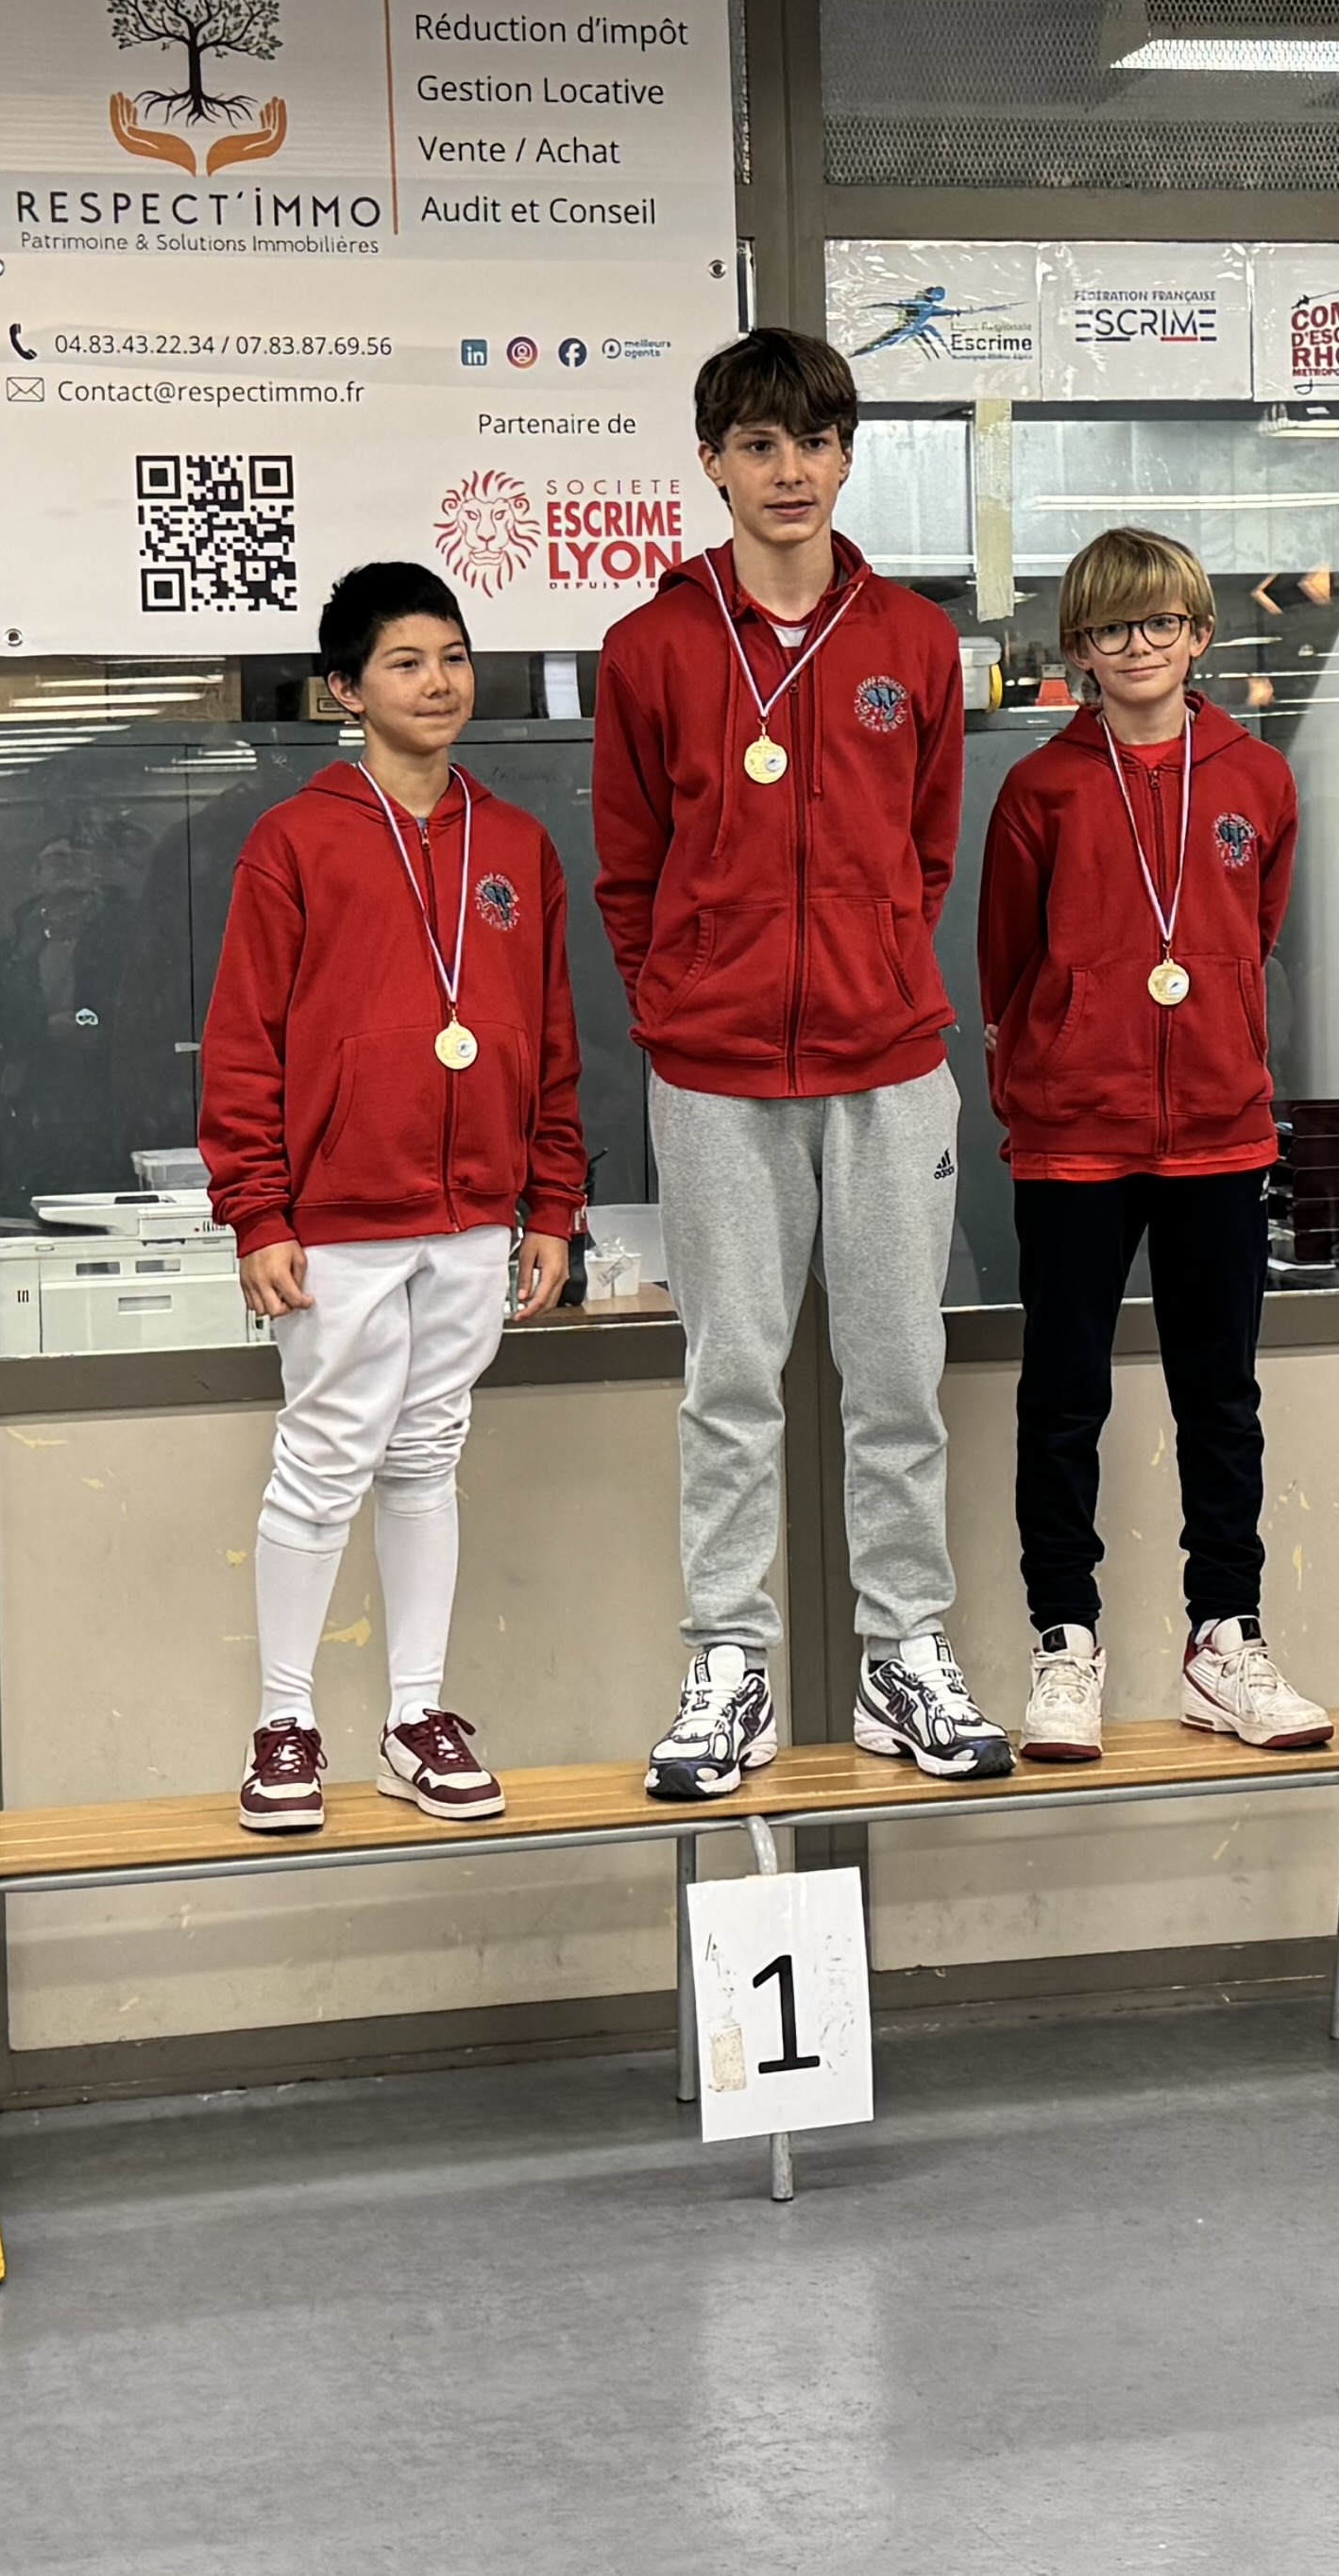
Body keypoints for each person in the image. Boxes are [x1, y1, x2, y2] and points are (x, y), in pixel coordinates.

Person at [600, 328, 1010, 1800]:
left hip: (885, 1061)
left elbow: (927, 849)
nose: (790, 470)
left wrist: (874, 967)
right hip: (715, 1073)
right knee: (730, 1381)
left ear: (847, 455)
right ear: (711, 460)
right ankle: (731, 1663)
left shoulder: (909, 640)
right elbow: (629, 867)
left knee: (899, 1371)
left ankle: (905, 1654)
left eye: (815, 441)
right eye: (759, 444)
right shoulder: (651, 646)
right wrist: (688, 997)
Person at [196, 564, 583, 1831]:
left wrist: (552, 1202)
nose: (439, 682)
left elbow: (552, 1037)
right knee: (323, 1459)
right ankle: (283, 1723)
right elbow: (243, 1041)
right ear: (345, 690)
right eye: (405, 661)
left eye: (454, 656)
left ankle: (417, 1714)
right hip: (339, 1219)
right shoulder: (294, 840)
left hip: (475, 1214)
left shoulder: (516, 844)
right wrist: (257, 1210)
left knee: (427, 1453)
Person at [976, 525, 1327, 1761]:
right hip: (1074, 1134)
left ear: (1199, 635)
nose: (1138, 646)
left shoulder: (1256, 778)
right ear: (1078, 647)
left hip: (1220, 1133)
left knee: (1219, 1398)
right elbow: (1008, 962)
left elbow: (1252, 935)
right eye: (1112, 628)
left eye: (1160, 623)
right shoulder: (1042, 790)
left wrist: (1212, 1033)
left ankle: (1224, 1638)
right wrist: (1053, 1069)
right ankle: (1063, 1641)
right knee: (1063, 1395)